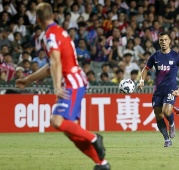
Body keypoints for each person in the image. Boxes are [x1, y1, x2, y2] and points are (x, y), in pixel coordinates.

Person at [15, 3, 110, 170]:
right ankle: (101, 164)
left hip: (71, 83)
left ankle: (94, 138)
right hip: (76, 80)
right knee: (72, 132)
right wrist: (28, 80)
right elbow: (52, 65)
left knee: (57, 121)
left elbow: (56, 62)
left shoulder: (50, 35)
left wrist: (57, 85)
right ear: (53, 15)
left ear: (37, 19)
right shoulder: (60, 32)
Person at [138, 32, 179, 147]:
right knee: (158, 115)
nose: (163, 42)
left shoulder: (176, 56)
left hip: (171, 89)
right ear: (159, 42)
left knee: (167, 111)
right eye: (161, 40)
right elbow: (146, 69)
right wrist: (142, 80)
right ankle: (167, 139)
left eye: (165, 40)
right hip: (158, 91)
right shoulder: (155, 56)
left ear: (169, 41)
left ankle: (172, 124)